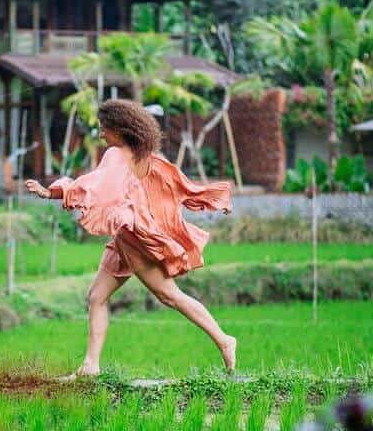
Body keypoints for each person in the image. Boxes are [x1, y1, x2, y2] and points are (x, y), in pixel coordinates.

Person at [25, 99, 237, 377]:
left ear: (119, 129)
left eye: (104, 128)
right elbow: (168, 185)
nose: (101, 134)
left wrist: (52, 192)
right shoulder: (145, 157)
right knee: (97, 296)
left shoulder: (116, 154)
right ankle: (90, 365)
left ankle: (224, 340)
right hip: (124, 239)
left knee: (169, 295)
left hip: (134, 240)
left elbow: (94, 182)